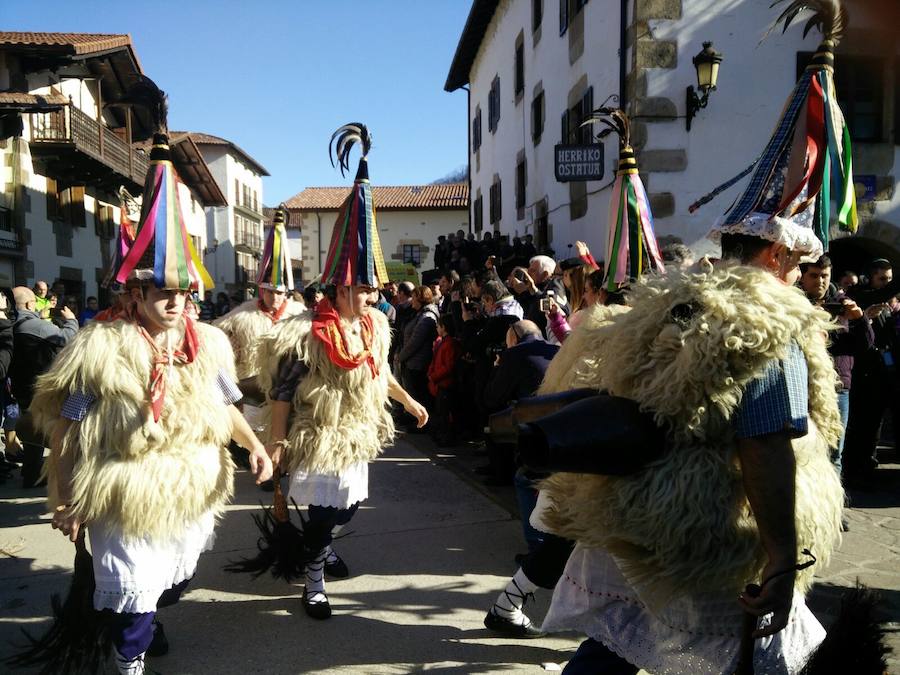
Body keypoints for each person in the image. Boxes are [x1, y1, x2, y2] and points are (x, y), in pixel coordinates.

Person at [545, 11, 853, 667]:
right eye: (799, 266)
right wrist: (780, 554)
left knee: (616, 647)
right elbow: (767, 442)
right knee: (733, 654)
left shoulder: (669, 301)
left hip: (638, 521)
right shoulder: (764, 321)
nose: (802, 280)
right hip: (708, 533)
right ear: (773, 257)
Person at [31, 122, 272, 675]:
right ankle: (129, 660)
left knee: (174, 581)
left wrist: (255, 448)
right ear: (135, 291)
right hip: (122, 490)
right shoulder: (99, 351)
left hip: (186, 489)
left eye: (183, 293)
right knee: (136, 596)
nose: (175, 303)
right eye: (162, 292)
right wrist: (65, 498)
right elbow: (69, 426)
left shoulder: (207, 345)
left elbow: (226, 404)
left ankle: (140, 622)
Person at [257, 123, 427, 620]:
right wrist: (277, 443)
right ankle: (314, 578)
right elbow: (284, 393)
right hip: (318, 434)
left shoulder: (375, 324)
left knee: (347, 509)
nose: (369, 296)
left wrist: (408, 400)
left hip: (356, 435)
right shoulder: (306, 333)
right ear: (335, 288)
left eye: (372, 289)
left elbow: (378, 374)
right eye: (360, 288)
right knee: (323, 513)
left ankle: (323, 545)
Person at [798, 255, 872, 482]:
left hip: (838, 388)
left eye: (824, 276)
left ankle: (832, 513)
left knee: (833, 453)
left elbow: (865, 345)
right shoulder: (794, 303)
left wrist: (859, 319)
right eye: (813, 276)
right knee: (800, 452)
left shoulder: (843, 303)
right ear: (803, 277)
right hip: (801, 386)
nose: (819, 281)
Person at [9, 286, 78, 487]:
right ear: (30, 304)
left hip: (21, 387)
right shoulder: (36, 326)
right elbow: (66, 338)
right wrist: (72, 320)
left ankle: (31, 473)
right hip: (42, 388)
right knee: (50, 431)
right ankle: (48, 475)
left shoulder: (10, 324)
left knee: (33, 428)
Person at [844, 258, 900, 485]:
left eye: (890, 280)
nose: (886, 285)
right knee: (861, 425)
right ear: (871, 278)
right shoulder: (862, 297)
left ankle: (868, 464)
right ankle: (856, 470)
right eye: (882, 280)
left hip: (883, 373)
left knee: (874, 426)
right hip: (863, 374)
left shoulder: (887, 303)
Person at [398, 285, 440, 415]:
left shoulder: (427, 317)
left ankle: (421, 422)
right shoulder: (419, 314)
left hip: (418, 363)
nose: (412, 301)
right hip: (412, 361)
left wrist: (400, 356)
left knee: (419, 395)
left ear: (421, 299)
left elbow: (414, 342)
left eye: (414, 297)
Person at [427, 314, 461, 446]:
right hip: (440, 383)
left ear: (444, 327)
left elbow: (448, 366)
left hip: (445, 383)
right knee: (441, 411)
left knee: (445, 413)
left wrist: (434, 376)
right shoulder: (443, 342)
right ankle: (442, 435)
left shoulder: (450, 344)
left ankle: (447, 438)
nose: (436, 328)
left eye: (438, 326)